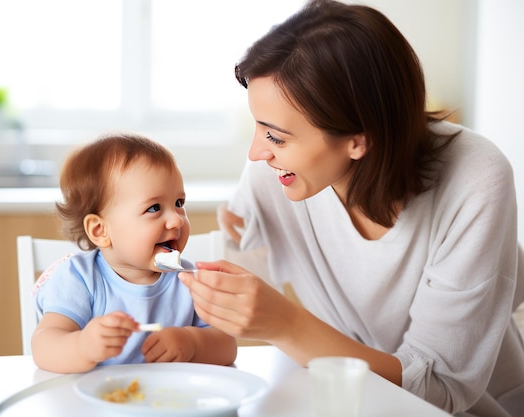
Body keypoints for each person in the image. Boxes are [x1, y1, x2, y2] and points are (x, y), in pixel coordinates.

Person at [177, 1, 524, 416]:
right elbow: (236, 256)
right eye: (259, 128)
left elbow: (440, 388)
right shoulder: (278, 170)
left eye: (276, 137)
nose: (255, 153)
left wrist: (284, 323)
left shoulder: (475, 178)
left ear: (357, 140)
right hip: (342, 400)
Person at [32, 132, 237, 373]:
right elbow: (43, 346)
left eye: (179, 203)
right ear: (100, 230)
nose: (176, 220)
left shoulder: (188, 280)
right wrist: (83, 346)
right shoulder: (78, 277)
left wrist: (192, 343)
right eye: (154, 208)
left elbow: (227, 347)